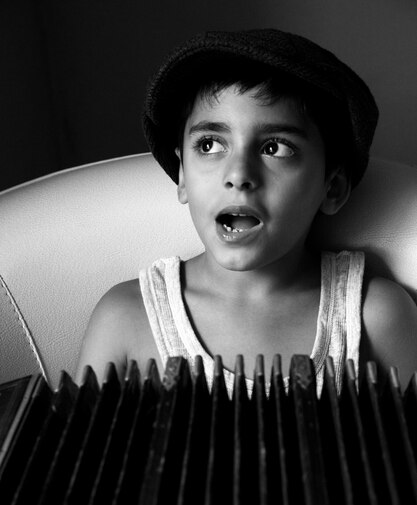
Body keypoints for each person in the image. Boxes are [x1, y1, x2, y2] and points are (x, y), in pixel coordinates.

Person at [75, 28, 417, 395]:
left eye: (275, 148)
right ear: (182, 177)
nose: (238, 175)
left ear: (331, 188)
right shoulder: (125, 319)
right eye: (209, 144)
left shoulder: (374, 316)